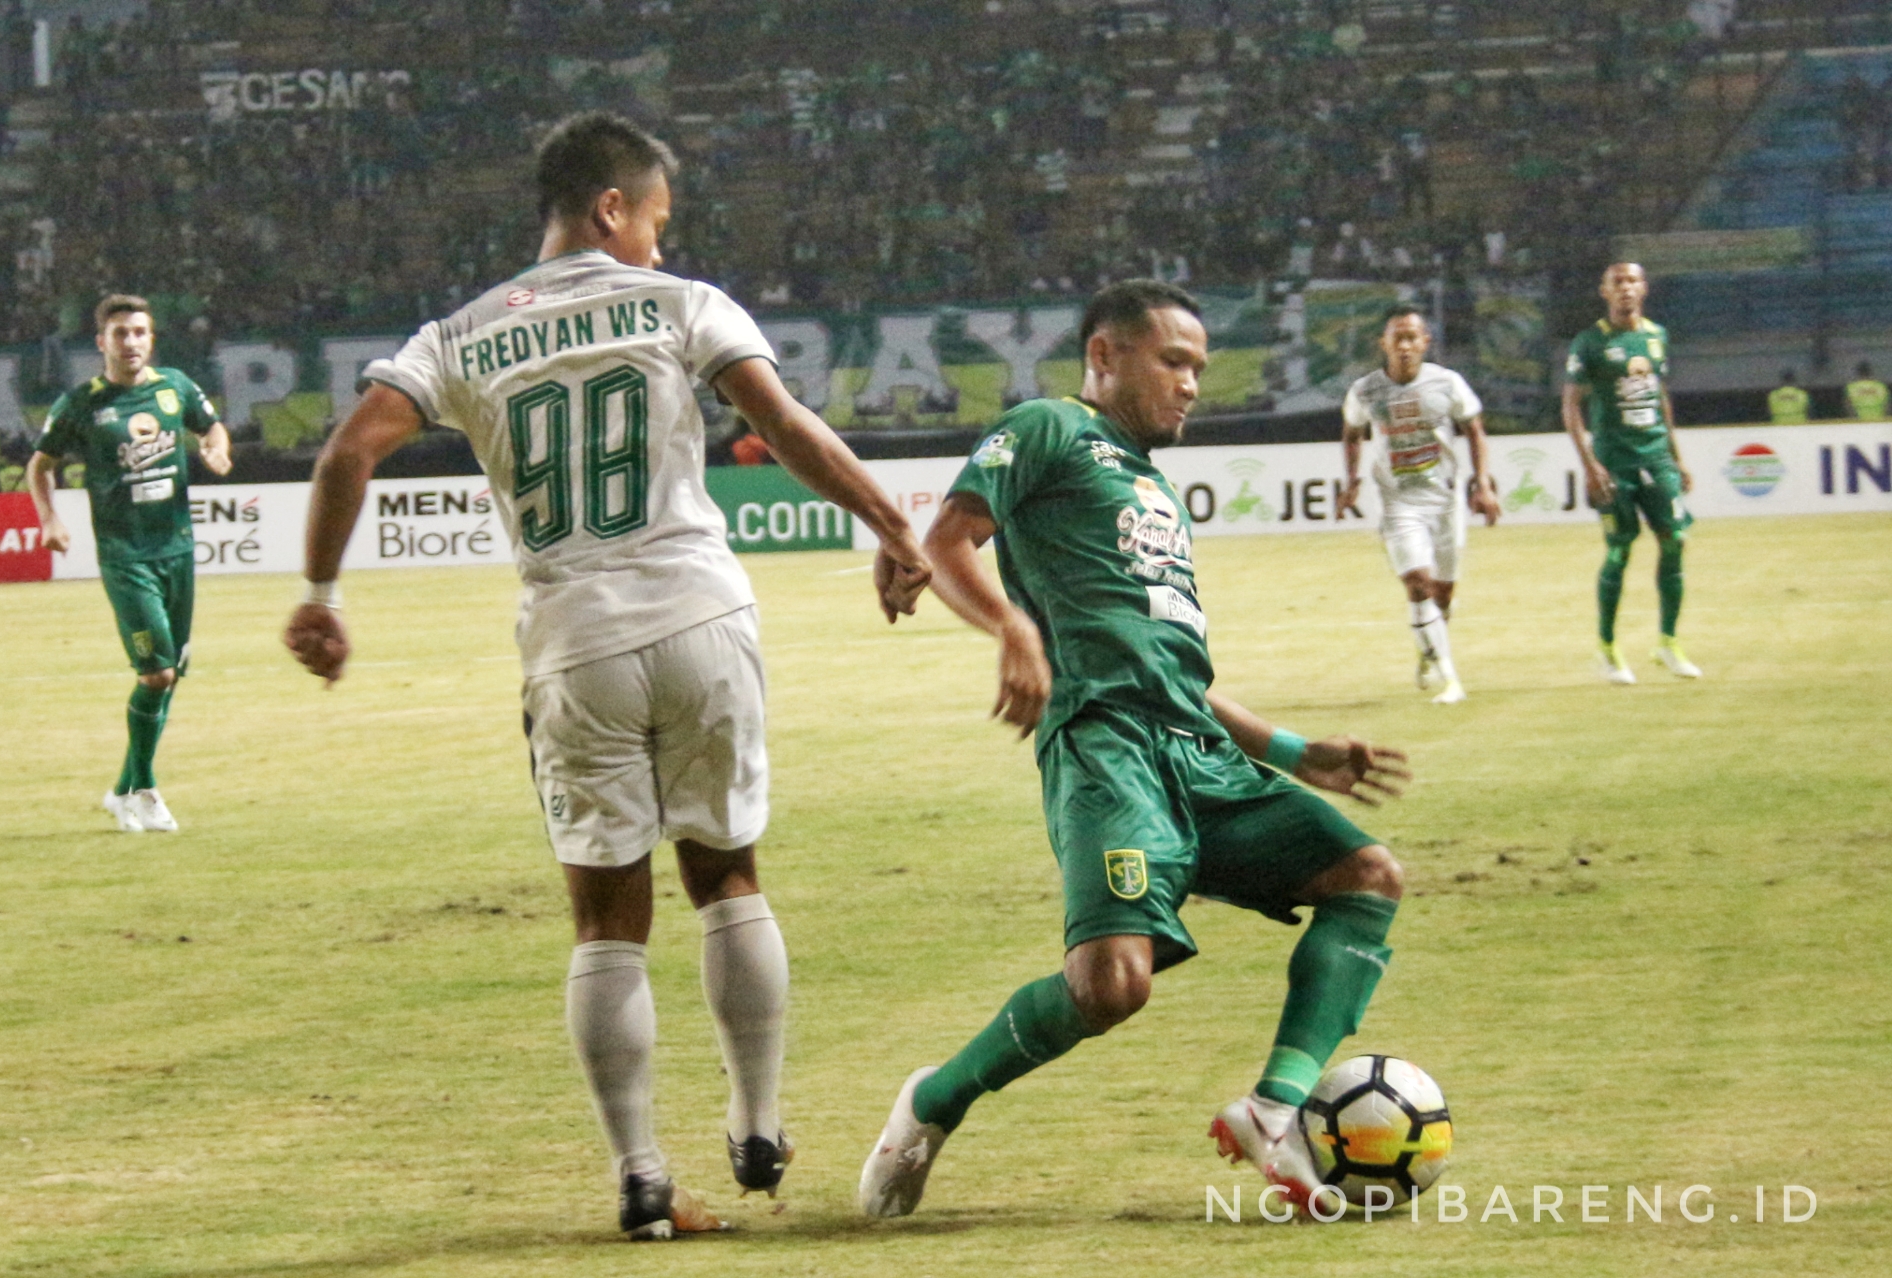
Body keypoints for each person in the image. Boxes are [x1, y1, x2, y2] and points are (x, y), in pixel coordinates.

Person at [281, 111, 931, 1241]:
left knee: (604, 918)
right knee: (726, 874)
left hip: (573, 639)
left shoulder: (458, 335)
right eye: (655, 226)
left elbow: (346, 451)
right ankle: (760, 1124)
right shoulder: (683, 306)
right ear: (608, 209)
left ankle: (639, 1177)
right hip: (699, 616)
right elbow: (779, 422)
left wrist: (323, 600)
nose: (662, 252)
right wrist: (889, 522)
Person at [857, 280, 1411, 1219]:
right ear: (1105, 357)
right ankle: (932, 1101)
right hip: (1105, 750)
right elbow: (950, 539)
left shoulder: (1152, 485)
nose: (1193, 383)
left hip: (1197, 751)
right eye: (1173, 362)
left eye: (1199, 366)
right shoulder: (1048, 429)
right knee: (1111, 988)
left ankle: (1273, 1109)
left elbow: (1172, 669)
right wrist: (1012, 630)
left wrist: (1293, 749)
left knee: (1367, 875)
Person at [27, 294, 232, 833]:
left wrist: (217, 449)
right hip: (126, 556)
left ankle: (124, 791)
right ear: (101, 343)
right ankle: (144, 788)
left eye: (139, 332)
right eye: (120, 333)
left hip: (178, 551)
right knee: (157, 672)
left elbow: (211, 426)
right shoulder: (82, 404)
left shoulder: (176, 388)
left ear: (151, 339)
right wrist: (49, 518)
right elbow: (40, 465)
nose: (131, 342)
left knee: (170, 677)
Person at [1337, 305, 1500, 704]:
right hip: (1398, 502)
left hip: (1445, 498)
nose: (1406, 345)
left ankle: (1428, 648)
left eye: (1413, 337)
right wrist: (1353, 481)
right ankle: (1450, 678)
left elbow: (1474, 430)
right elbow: (1352, 432)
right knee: (1418, 582)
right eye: (1398, 338)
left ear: (1425, 342)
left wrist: (1483, 484)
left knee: (1442, 592)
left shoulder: (1448, 384)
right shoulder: (1365, 390)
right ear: (1384, 343)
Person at [1562, 263, 1700, 683]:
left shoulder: (1657, 336)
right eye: (1617, 282)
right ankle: (1607, 648)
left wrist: (1677, 456)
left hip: (1656, 457)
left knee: (1675, 540)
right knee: (1621, 550)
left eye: (1632, 281)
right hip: (1614, 462)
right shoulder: (1589, 342)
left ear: (1644, 288)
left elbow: (1660, 396)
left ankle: (1668, 643)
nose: (1625, 288)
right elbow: (1571, 406)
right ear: (1604, 291)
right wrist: (1589, 464)